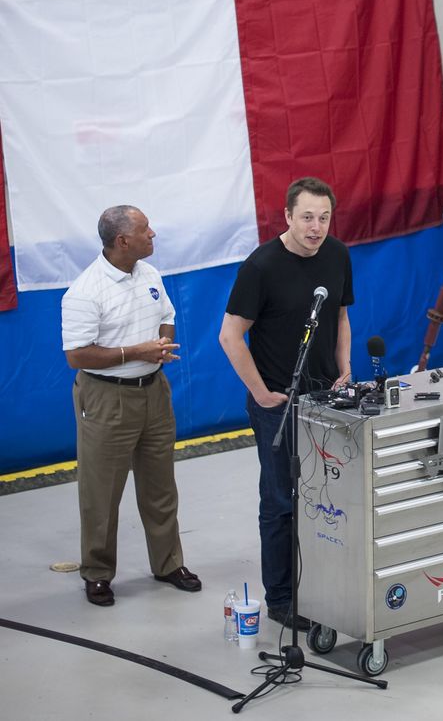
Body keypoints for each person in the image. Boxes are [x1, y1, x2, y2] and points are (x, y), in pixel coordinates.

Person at [219, 177, 353, 630]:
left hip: (326, 399)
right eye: (307, 218)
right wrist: (260, 392)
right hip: (277, 403)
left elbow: (339, 315)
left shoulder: (337, 255)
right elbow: (230, 335)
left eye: (324, 217)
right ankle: (280, 598)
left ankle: (320, 585)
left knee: (327, 497)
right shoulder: (260, 267)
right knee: (280, 501)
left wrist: (343, 369)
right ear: (288, 217)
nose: (316, 228)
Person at [61, 206, 202, 606]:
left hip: (154, 392)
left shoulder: (149, 275)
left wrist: (160, 344)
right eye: (145, 230)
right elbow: (78, 356)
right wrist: (136, 351)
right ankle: (98, 572)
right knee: (101, 492)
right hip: (107, 399)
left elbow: (167, 314)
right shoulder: (85, 292)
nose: (152, 233)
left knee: (160, 485)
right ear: (123, 241)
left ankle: (168, 562)